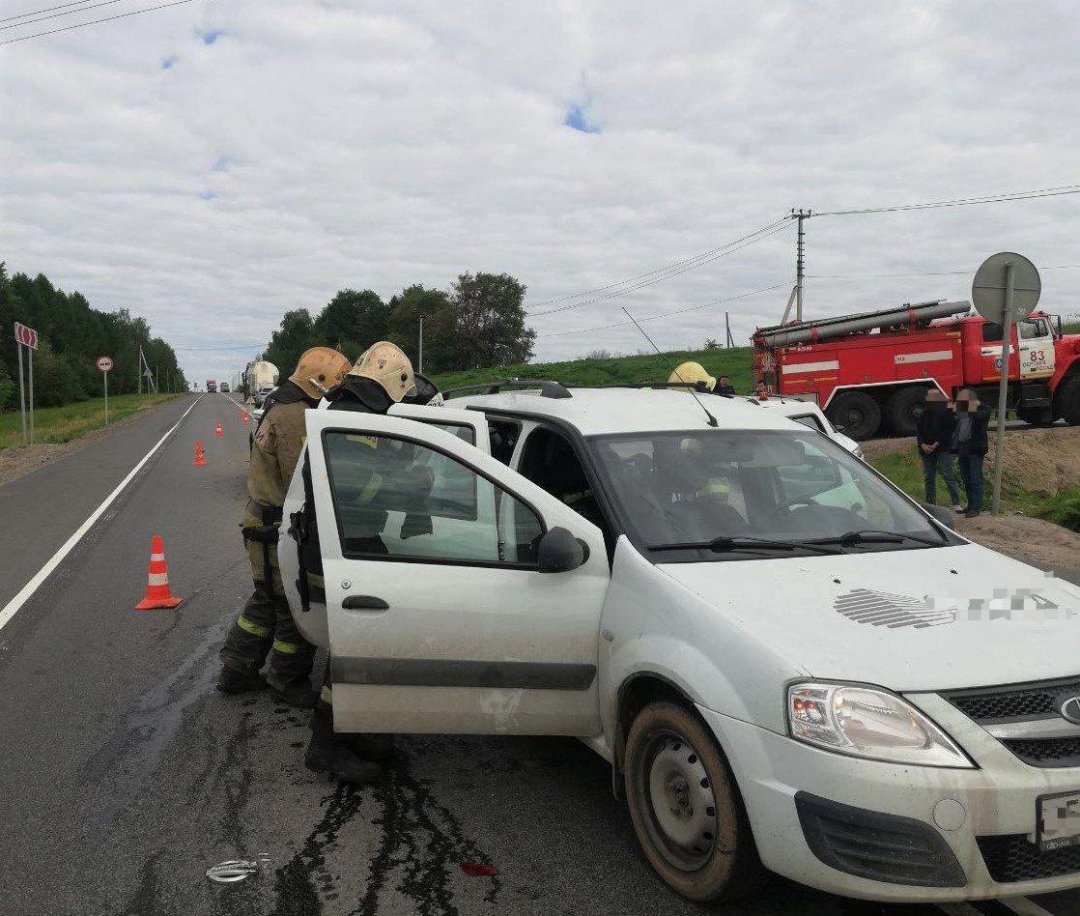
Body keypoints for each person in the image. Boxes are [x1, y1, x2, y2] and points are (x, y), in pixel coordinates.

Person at [298, 341, 433, 784]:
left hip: (341, 540)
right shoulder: (356, 422)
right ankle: (327, 745)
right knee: (355, 648)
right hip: (341, 546)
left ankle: (363, 731)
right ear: (392, 385)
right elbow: (361, 489)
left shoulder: (338, 409)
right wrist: (411, 477)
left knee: (358, 644)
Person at [218, 346, 351, 706]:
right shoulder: (295, 415)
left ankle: (237, 669)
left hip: (265, 521)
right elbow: (300, 478)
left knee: (267, 600)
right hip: (277, 524)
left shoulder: (282, 403)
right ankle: (286, 678)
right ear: (320, 381)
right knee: (296, 604)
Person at [915, 389, 961, 510]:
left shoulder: (947, 411)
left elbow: (948, 430)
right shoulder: (923, 413)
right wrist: (922, 445)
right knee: (929, 477)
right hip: (926, 450)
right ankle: (931, 503)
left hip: (943, 449)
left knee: (948, 475)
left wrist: (936, 444)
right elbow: (919, 432)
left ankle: (956, 503)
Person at [954, 388, 990, 518]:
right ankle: (970, 505)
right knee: (966, 478)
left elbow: (980, 417)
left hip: (975, 448)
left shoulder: (983, 409)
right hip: (963, 446)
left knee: (975, 479)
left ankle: (976, 507)